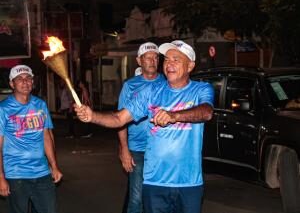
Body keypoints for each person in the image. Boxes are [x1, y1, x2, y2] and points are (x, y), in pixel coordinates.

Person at [74, 40, 214, 213]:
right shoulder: (151, 92)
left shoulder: (201, 89)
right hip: (154, 182)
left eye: (176, 59)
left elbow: (206, 112)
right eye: (167, 59)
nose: (169, 64)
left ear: (190, 65)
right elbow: (119, 118)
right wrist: (92, 116)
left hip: (189, 183)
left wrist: (174, 116)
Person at [0, 65, 63, 213]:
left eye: (28, 78)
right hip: (16, 174)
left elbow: (47, 136)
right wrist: (1, 177)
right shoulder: (3, 109)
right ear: (12, 84)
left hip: (42, 172)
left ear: (32, 82)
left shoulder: (40, 104)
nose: (25, 82)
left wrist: (54, 166)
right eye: (20, 79)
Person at [118, 42, 165, 213]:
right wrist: (124, 149)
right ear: (139, 61)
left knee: (159, 197)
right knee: (136, 198)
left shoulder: (166, 83)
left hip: (161, 149)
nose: (152, 61)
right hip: (137, 149)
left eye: (155, 57)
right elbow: (119, 120)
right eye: (147, 58)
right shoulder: (130, 86)